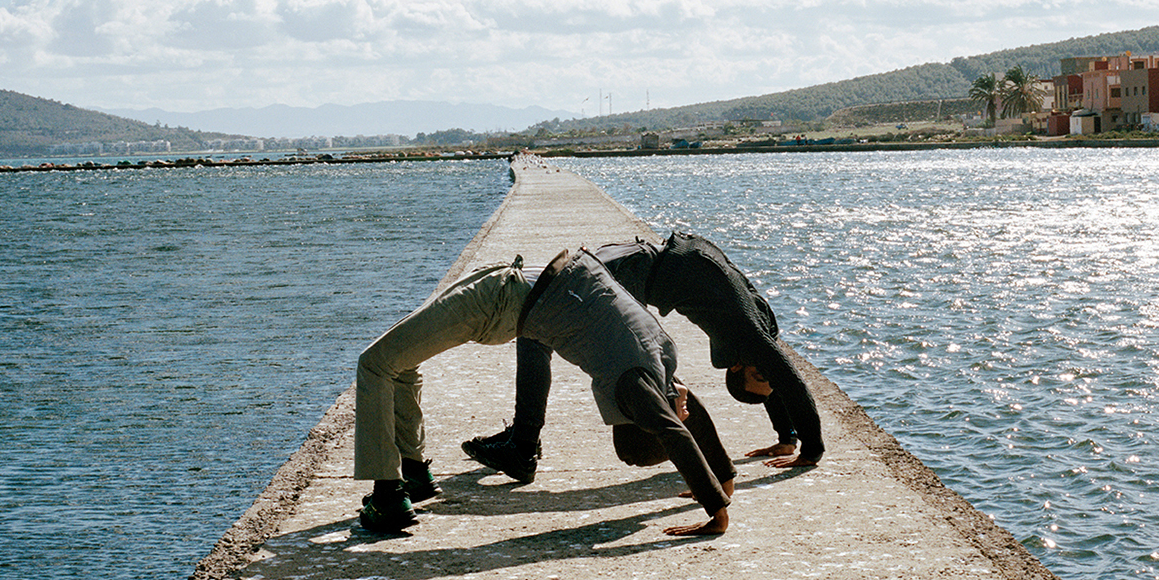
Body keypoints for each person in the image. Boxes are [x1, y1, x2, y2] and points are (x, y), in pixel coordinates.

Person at [468, 229, 823, 475]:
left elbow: (775, 377)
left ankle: (523, 445)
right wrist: (805, 446)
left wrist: (787, 438)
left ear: (736, 368)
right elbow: (784, 376)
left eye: (758, 374)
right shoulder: (755, 333)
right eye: (763, 372)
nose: (764, 367)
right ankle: (523, 443)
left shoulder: (752, 334)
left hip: (632, 269)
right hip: (632, 265)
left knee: (537, 330)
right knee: (538, 329)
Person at [468, 247, 734, 536]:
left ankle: (522, 443)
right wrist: (719, 494)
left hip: (582, 284)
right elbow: (675, 429)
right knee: (660, 422)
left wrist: (718, 499)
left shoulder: (637, 380)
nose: (684, 406)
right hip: (571, 289)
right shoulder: (638, 378)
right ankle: (522, 443)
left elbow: (673, 433)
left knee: (636, 448)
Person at [352, 255, 532, 534]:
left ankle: (388, 495)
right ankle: (412, 470)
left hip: (494, 293)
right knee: (401, 361)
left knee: (374, 364)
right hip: (502, 290)